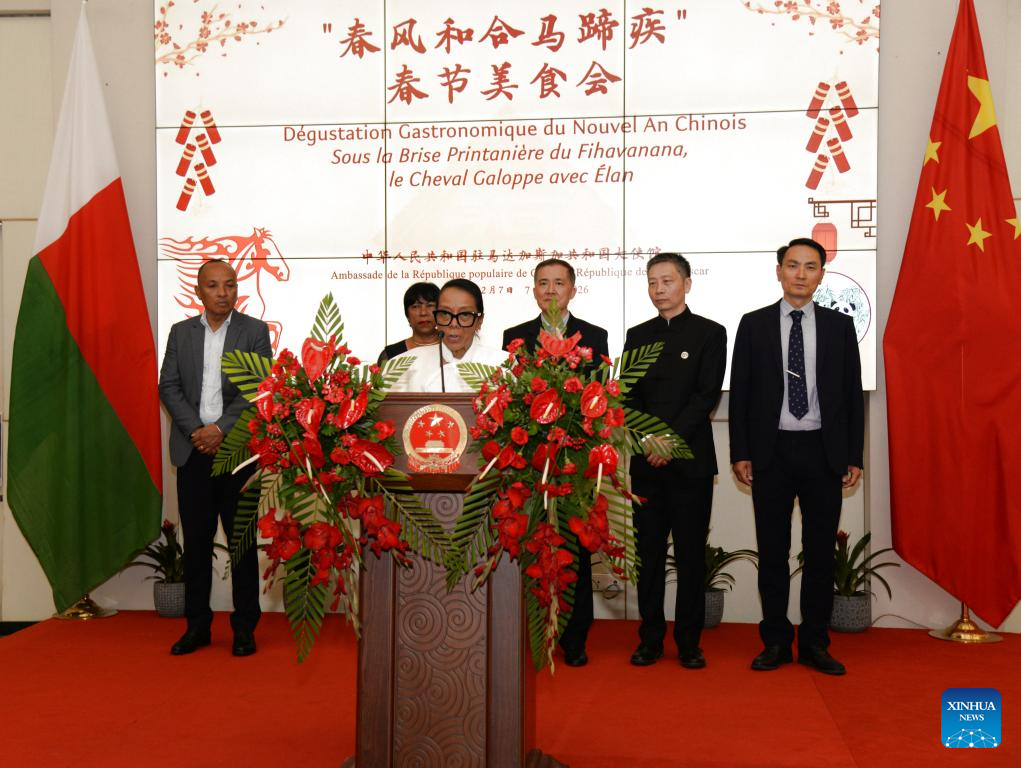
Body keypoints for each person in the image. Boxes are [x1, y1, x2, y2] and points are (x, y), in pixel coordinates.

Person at [729, 237, 864, 676]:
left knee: (820, 553)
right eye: (792, 265)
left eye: (810, 266)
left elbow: (852, 395)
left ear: (821, 274)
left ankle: (815, 643)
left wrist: (854, 455)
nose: (800, 274)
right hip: (770, 452)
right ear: (779, 271)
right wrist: (741, 451)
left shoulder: (840, 326)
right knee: (773, 551)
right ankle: (774, 642)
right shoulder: (753, 324)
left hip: (823, 450)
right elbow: (741, 393)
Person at [158, 259, 271, 657]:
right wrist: (197, 431)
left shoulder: (254, 331)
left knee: (241, 543)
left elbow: (258, 387)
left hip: (237, 452)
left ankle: (244, 628)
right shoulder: (181, 332)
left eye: (230, 284)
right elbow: (168, 386)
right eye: (213, 285)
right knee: (196, 543)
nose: (223, 293)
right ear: (198, 291)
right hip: (193, 452)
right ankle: (197, 626)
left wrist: (220, 428)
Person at [502, 258, 608, 668]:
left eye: (558, 283)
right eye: (543, 283)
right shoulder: (515, 337)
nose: (550, 290)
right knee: (531, 545)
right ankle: (532, 631)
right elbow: (510, 397)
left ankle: (575, 637)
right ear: (534, 290)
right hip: (530, 459)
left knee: (575, 548)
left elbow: (600, 397)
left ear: (572, 290)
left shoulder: (594, 336)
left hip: (575, 458)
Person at [624, 252, 726, 669]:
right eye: (652, 282)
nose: (659, 289)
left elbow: (706, 395)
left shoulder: (710, 333)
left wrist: (668, 439)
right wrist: (648, 438)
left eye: (667, 281)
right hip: (646, 462)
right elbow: (627, 395)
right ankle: (650, 638)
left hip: (690, 464)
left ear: (687, 284)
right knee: (648, 555)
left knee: (689, 554)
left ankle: (688, 641)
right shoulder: (637, 335)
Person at [390, 278, 506, 392]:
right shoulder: (404, 366)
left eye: (465, 314)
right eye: (445, 313)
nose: (453, 324)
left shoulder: (503, 365)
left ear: (479, 321)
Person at [377, 282, 440, 365]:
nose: (423, 313)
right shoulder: (391, 354)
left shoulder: (453, 349)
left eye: (430, 305)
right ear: (407, 315)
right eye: (416, 306)